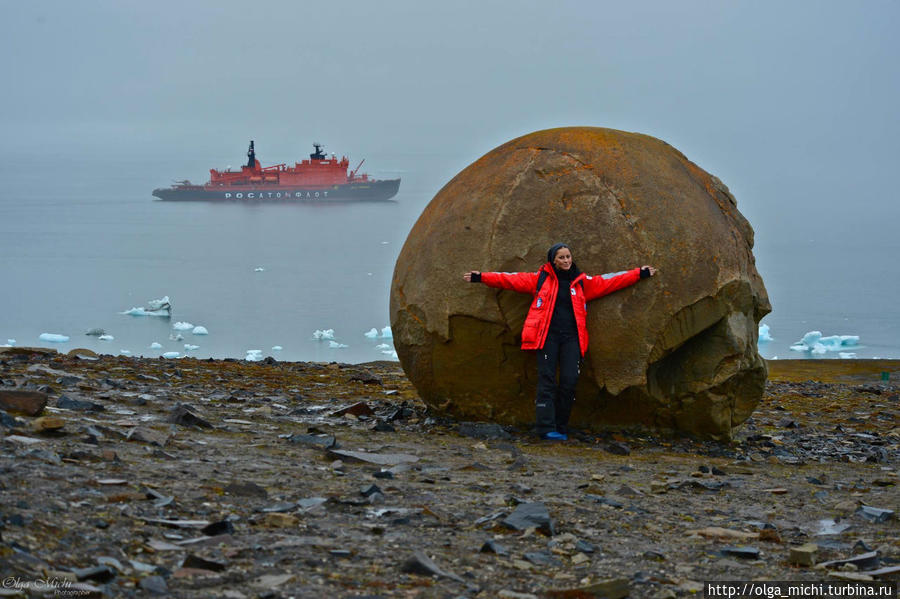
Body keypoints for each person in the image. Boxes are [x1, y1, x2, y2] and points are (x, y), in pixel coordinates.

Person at [464, 243, 656, 441]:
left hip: (572, 339)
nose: (566, 261)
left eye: (568, 257)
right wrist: (481, 277)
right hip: (547, 337)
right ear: (553, 261)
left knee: (569, 381)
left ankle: (561, 427)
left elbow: (610, 281)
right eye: (562, 258)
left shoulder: (581, 282)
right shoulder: (539, 279)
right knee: (546, 381)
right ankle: (545, 428)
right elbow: (509, 279)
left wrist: (638, 274)